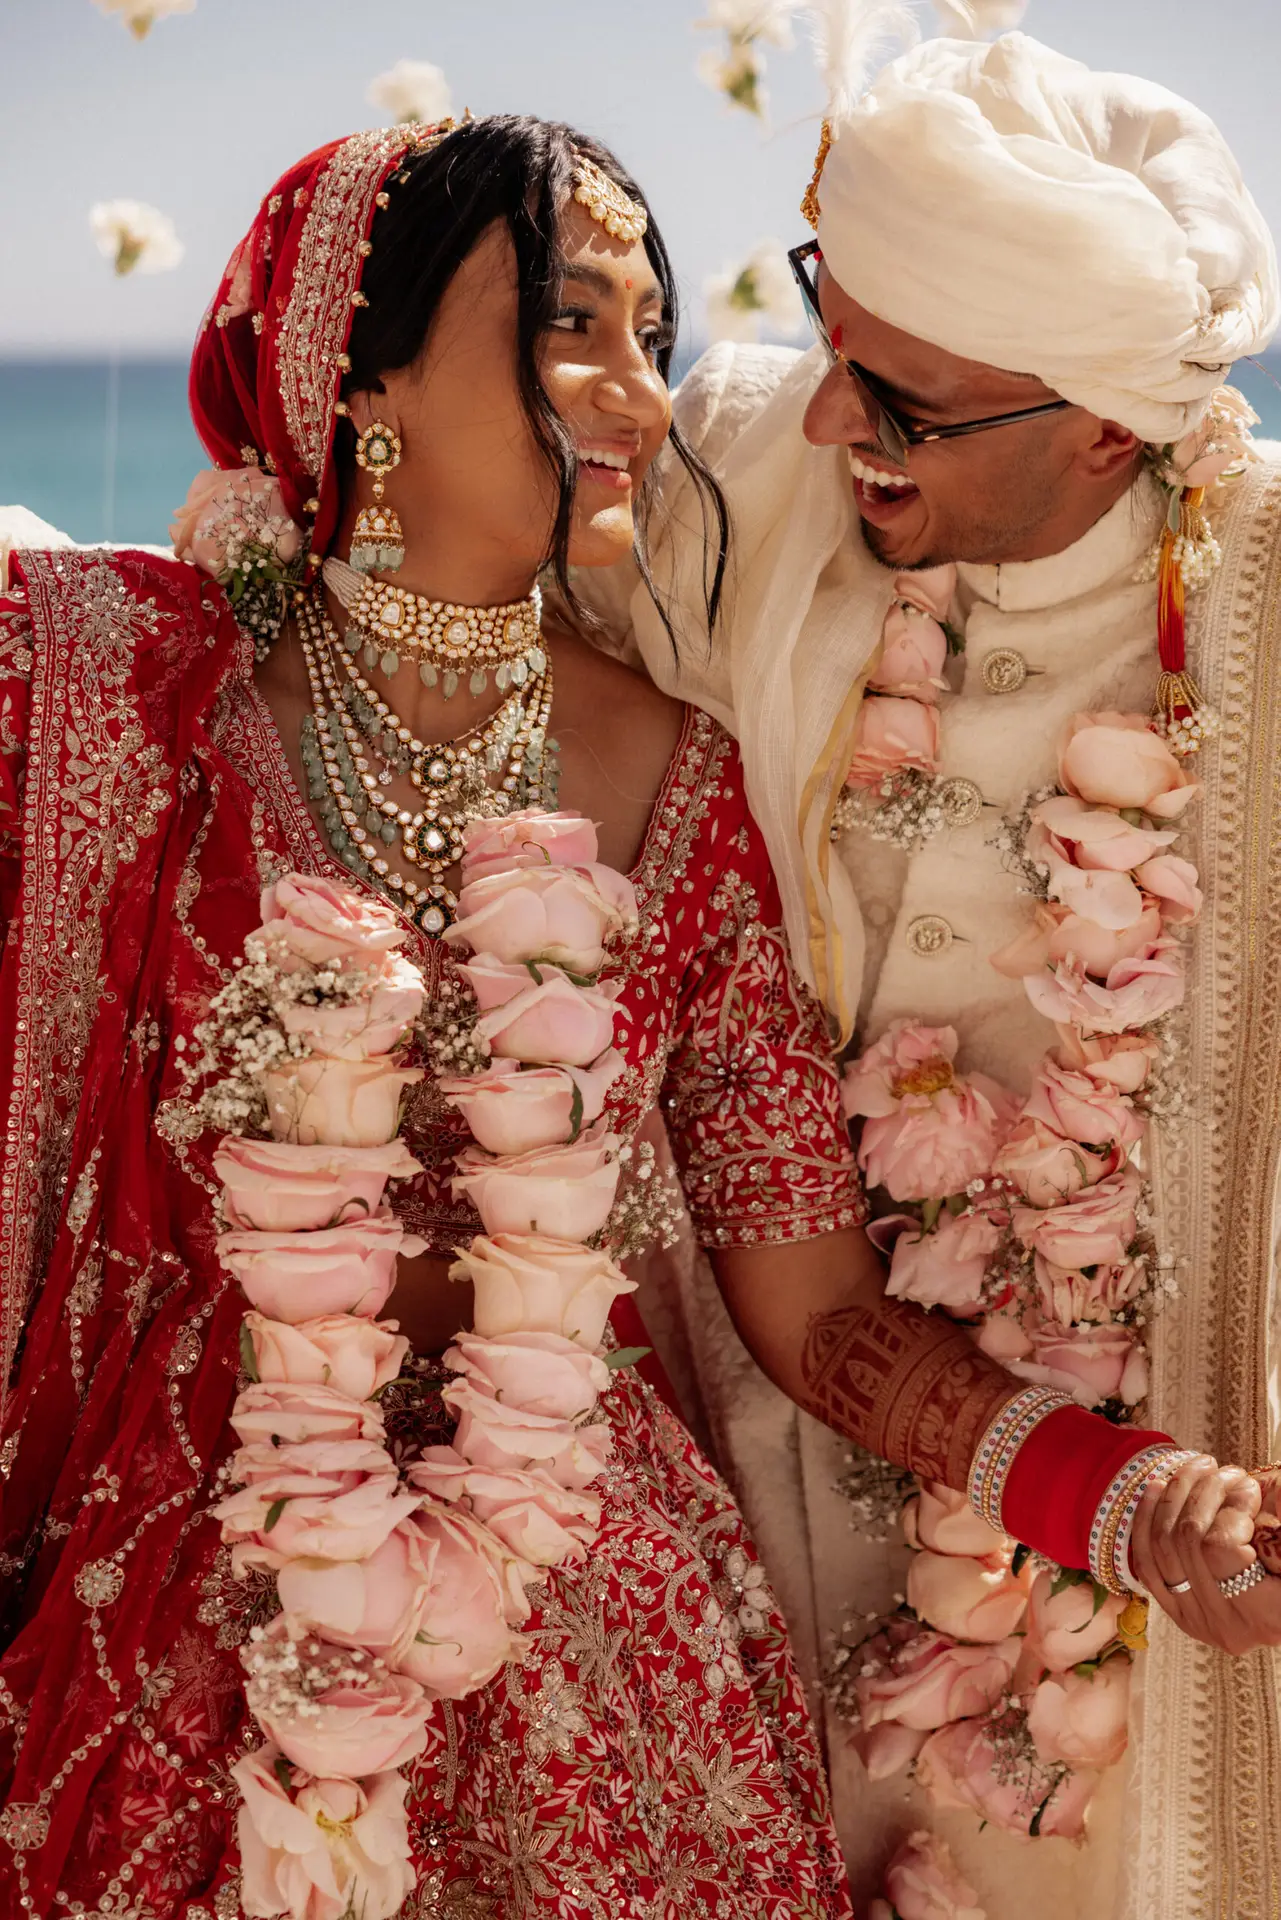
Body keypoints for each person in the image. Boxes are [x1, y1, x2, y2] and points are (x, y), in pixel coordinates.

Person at [0, 110, 1213, 1915]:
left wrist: (1123, 1498)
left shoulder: (681, 784)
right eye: (574, 326)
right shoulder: (110, 685)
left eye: (652, 339)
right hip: (196, 1575)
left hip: (585, 1616)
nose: (638, 396)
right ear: (365, 370)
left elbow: (815, 1318)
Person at [590, 22, 1281, 1920]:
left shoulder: (1270, 619)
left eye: (902, 404)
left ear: (1104, 425)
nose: (831, 425)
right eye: (832, 336)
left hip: (1124, 1551)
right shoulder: (744, 480)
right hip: (761, 1442)